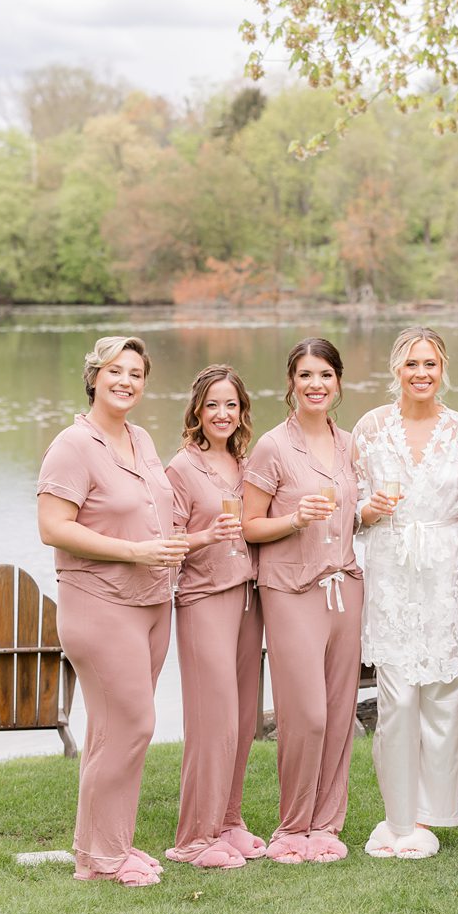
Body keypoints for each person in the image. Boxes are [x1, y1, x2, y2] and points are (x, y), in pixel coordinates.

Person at [36, 335, 188, 887]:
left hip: (150, 603)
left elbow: (152, 513)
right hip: (99, 605)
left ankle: (106, 849)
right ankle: (101, 858)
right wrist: (134, 552)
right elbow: (53, 527)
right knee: (134, 724)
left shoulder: (141, 438)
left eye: (136, 374)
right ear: (93, 376)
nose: (126, 381)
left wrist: (187, 540)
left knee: (111, 730)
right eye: (115, 371)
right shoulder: (73, 445)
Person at [352, 327, 458, 860]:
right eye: (411, 364)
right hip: (392, 569)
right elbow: (349, 508)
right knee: (398, 697)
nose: (421, 373)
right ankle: (398, 816)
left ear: (443, 368)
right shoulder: (370, 427)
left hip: (447, 570)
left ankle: (432, 815)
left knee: (446, 692)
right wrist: (368, 512)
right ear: (395, 369)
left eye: (430, 364)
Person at [241, 337, 365, 864]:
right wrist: (294, 519)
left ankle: (326, 825)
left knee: (340, 715)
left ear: (338, 383)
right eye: (306, 375)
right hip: (291, 589)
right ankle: (292, 827)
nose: (316, 384)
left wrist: (371, 513)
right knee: (307, 715)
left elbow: (350, 519)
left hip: (345, 586)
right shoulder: (271, 446)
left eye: (325, 375)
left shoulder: (350, 445)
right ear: (290, 383)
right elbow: (248, 526)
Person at [163, 365, 266, 870]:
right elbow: (168, 544)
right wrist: (208, 536)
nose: (222, 414)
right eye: (213, 405)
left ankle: (229, 820)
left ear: (242, 411)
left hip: (249, 597)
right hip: (204, 599)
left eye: (231, 405)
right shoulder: (181, 469)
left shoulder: (247, 463)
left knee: (244, 719)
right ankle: (193, 839)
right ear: (197, 412)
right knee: (213, 721)